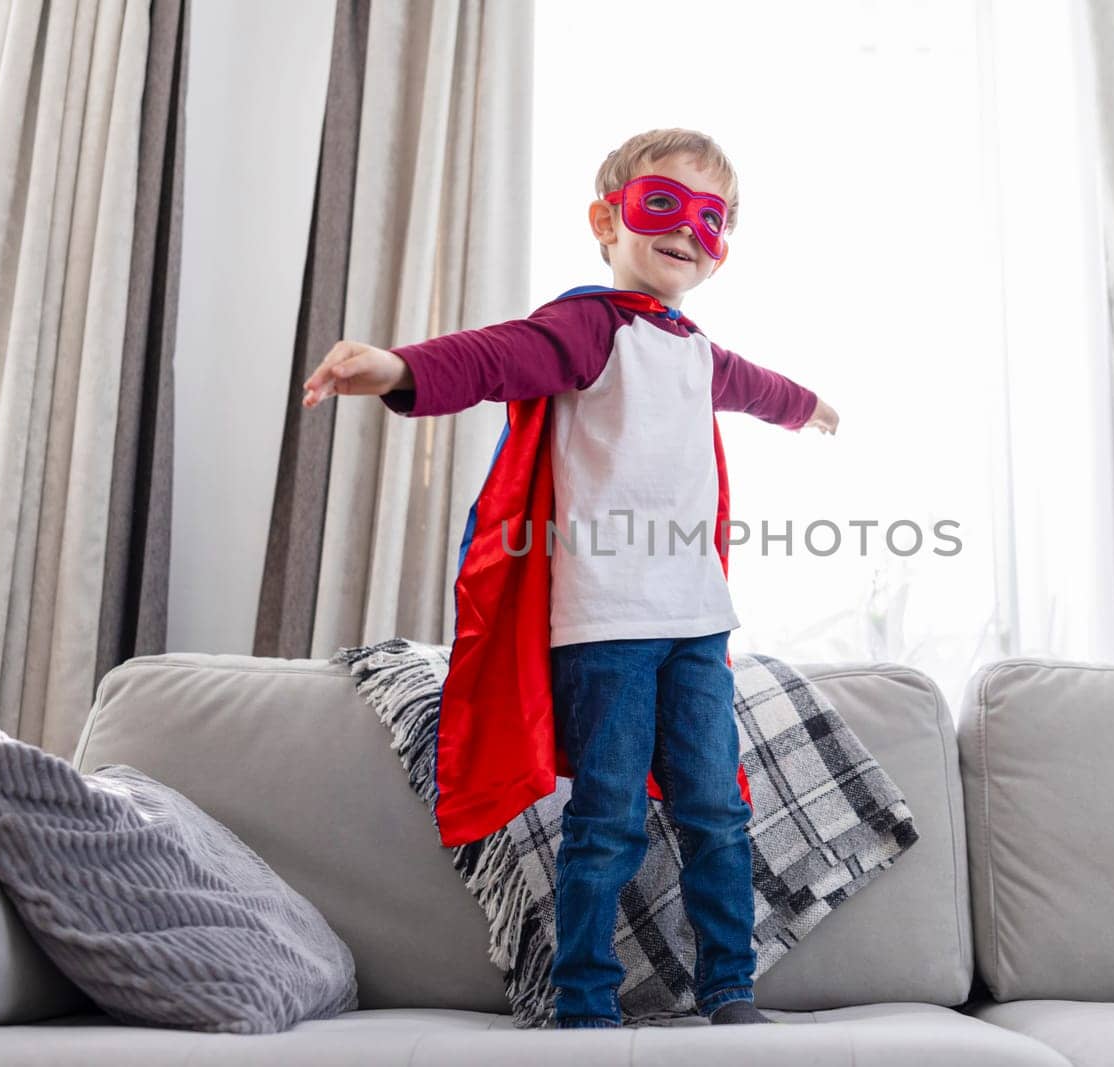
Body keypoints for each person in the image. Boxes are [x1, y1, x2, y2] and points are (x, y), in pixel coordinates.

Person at [301, 128, 838, 1029]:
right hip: (608, 625)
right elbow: (497, 355)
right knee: (608, 816)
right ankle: (586, 998)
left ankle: (728, 988)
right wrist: (401, 369)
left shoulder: (696, 351)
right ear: (607, 218)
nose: (689, 233)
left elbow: (755, 387)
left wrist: (809, 407)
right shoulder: (590, 325)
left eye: (713, 221)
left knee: (716, 806)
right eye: (663, 205)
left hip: (699, 622)